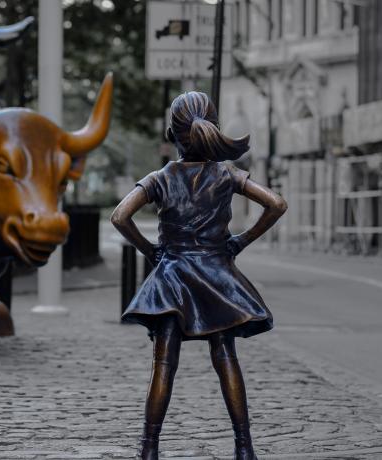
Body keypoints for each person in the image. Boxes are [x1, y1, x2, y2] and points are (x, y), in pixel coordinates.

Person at [110, 91, 287, 460]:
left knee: (163, 364)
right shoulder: (226, 174)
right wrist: (239, 242)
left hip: (172, 276)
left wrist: (150, 251)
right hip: (216, 277)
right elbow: (276, 204)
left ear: (172, 134)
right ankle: (244, 447)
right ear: (212, 128)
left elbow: (120, 217)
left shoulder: (161, 177)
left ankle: (149, 448)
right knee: (226, 357)